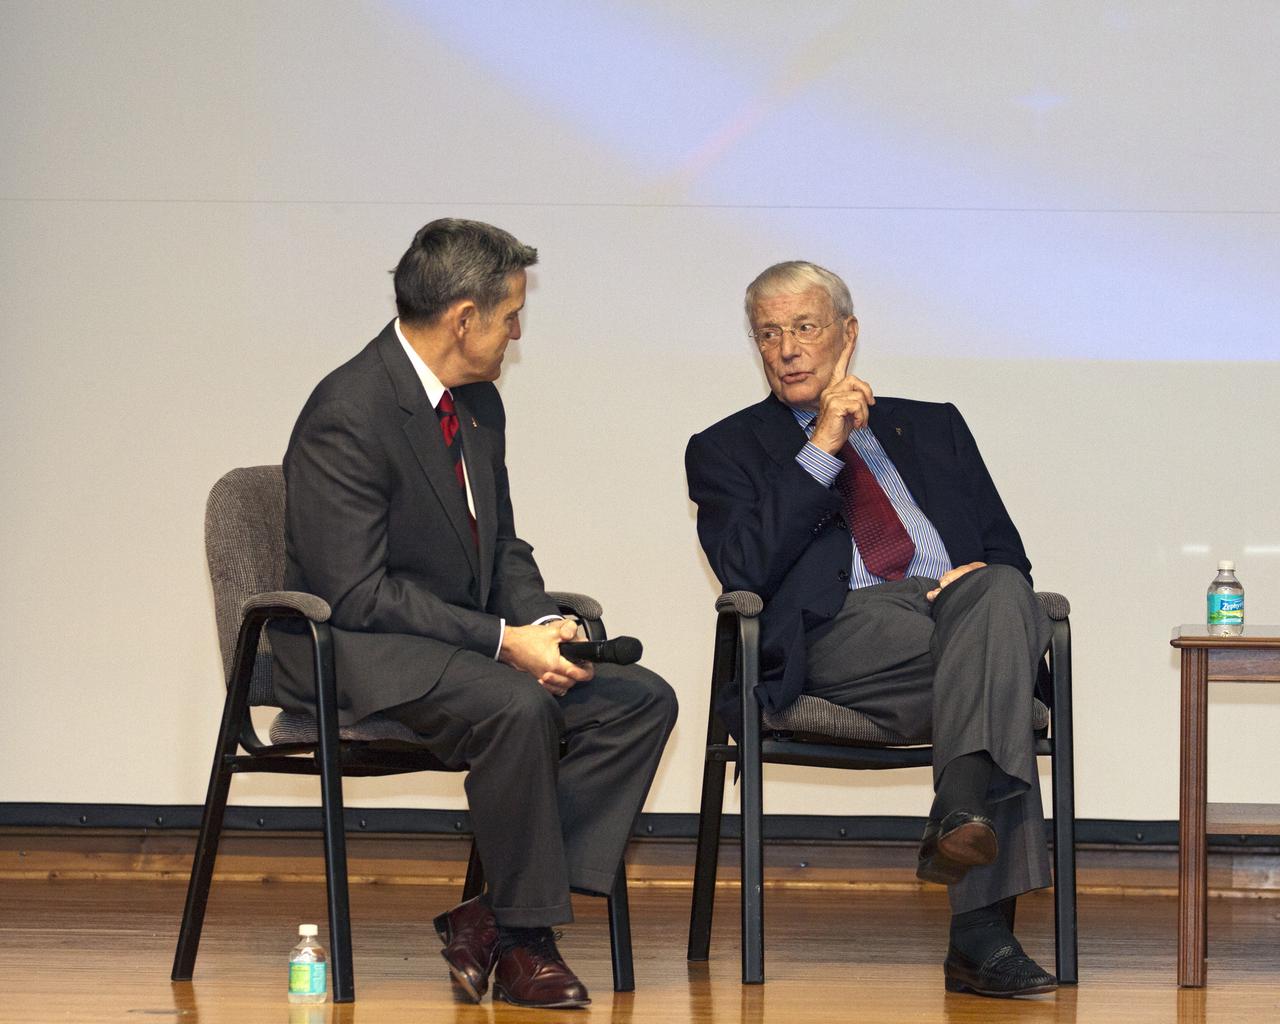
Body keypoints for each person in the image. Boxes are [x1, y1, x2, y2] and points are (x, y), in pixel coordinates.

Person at [271, 219, 677, 1009]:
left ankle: (487, 919)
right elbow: (355, 594)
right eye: (511, 314)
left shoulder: (478, 404)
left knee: (639, 701)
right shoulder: (348, 410)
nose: (518, 330)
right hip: (356, 649)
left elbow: (503, 547)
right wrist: (503, 642)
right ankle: (525, 941)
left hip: (453, 645)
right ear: (464, 317)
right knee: (517, 703)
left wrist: (537, 623)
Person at [685, 260, 1056, 998]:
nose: (787, 348)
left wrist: (972, 584)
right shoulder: (725, 448)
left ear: (847, 334)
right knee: (998, 658)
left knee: (1000, 594)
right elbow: (744, 572)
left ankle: (960, 810)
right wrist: (821, 444)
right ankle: (980, 935)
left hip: (951, 629)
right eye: (769, 334)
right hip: (835, 638)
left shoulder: (934, 424)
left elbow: (1007, 550)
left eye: (804, 327)